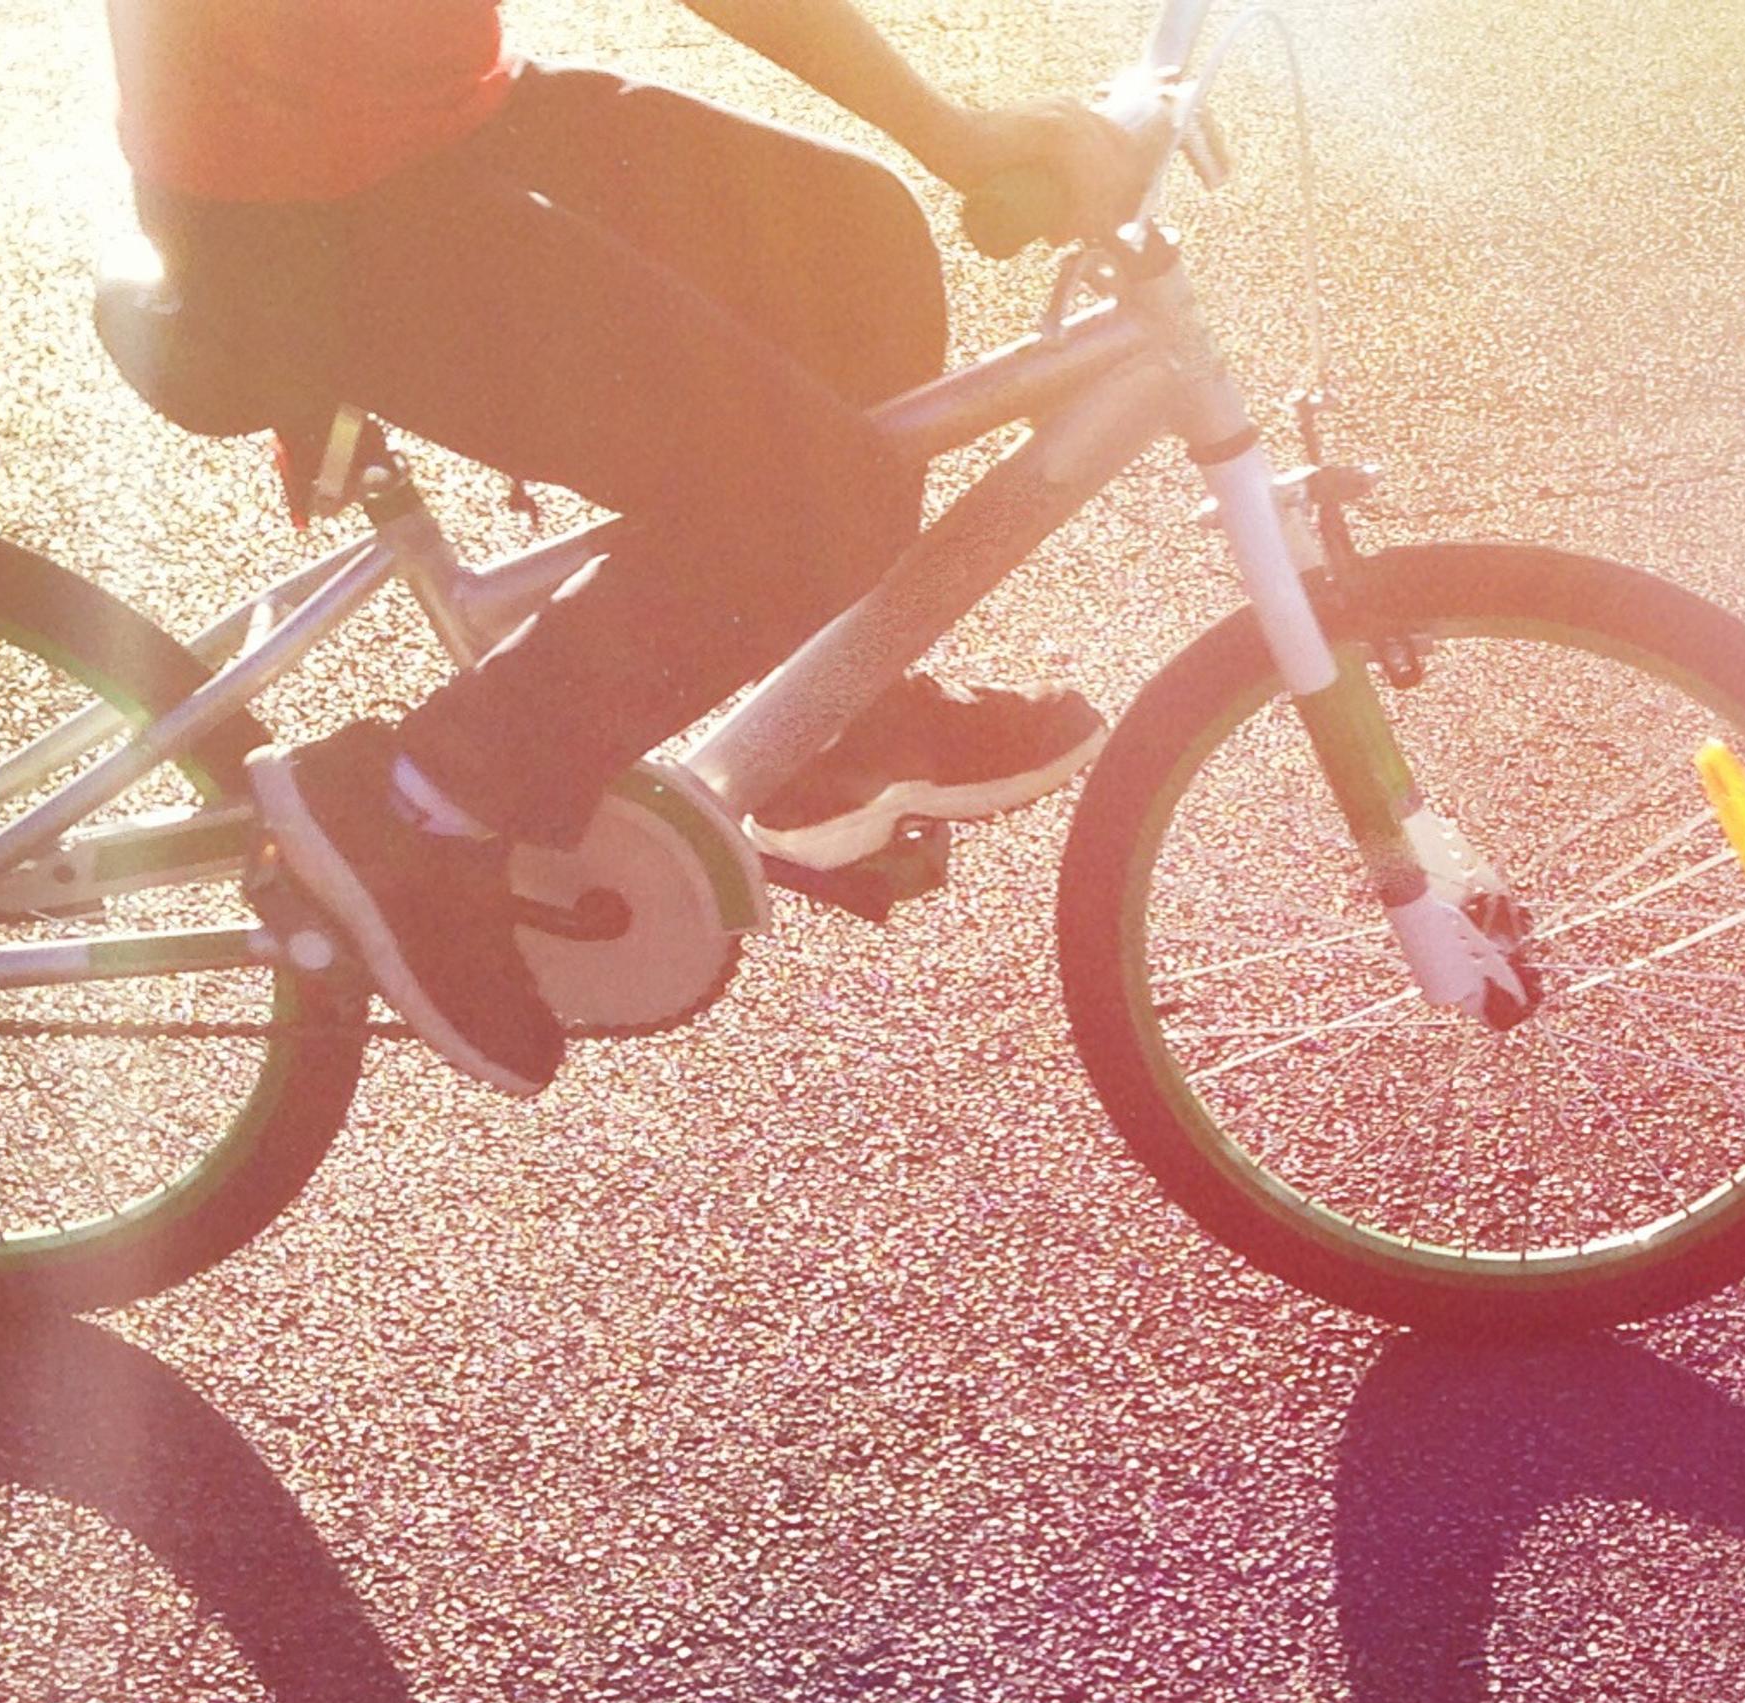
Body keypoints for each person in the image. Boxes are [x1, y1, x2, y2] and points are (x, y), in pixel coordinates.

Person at [107, 0, 1147, 1091]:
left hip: (433, 122)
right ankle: (416, 805)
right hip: (305, 206)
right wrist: (956, 133)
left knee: (852, 240)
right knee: (815, 504)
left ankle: (828, 711)